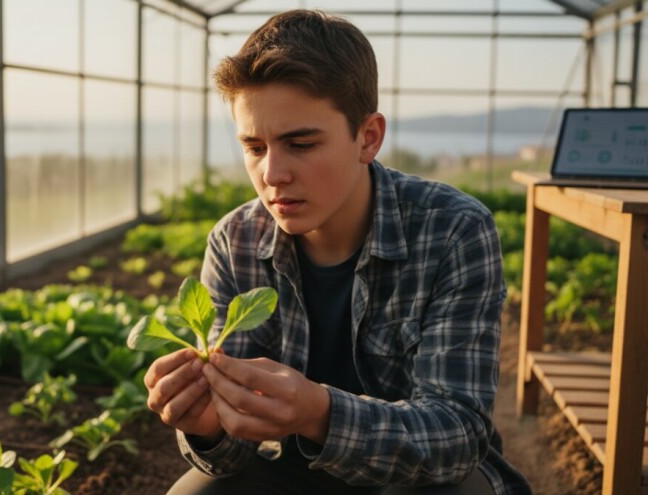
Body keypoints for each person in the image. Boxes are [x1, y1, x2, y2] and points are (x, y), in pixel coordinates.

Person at [143, 9, 531, 495]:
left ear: (367, 137)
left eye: (300, 144)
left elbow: (457, 433)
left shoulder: (454, 230)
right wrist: (209, 426)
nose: (273, 174)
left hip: (415, 479)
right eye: (254, 147)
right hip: (294, 468)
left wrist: (320, 413)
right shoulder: (235, 240)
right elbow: (232, 454)